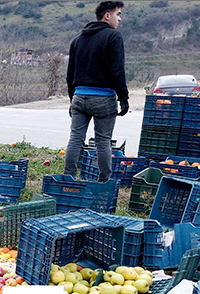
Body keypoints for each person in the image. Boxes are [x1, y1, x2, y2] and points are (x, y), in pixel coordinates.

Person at [63, 1, 128, 183]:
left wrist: (72, 99)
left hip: (79, 96)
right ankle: (104, 182)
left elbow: (70, 74)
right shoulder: (113, 37)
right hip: (103, 98)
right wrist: (123, 98)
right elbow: (117, 71)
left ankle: (67, 179)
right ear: (107, 16)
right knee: (103, 141)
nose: (120, 19)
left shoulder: (77, 40)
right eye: (118, 14)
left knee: (75, 139)